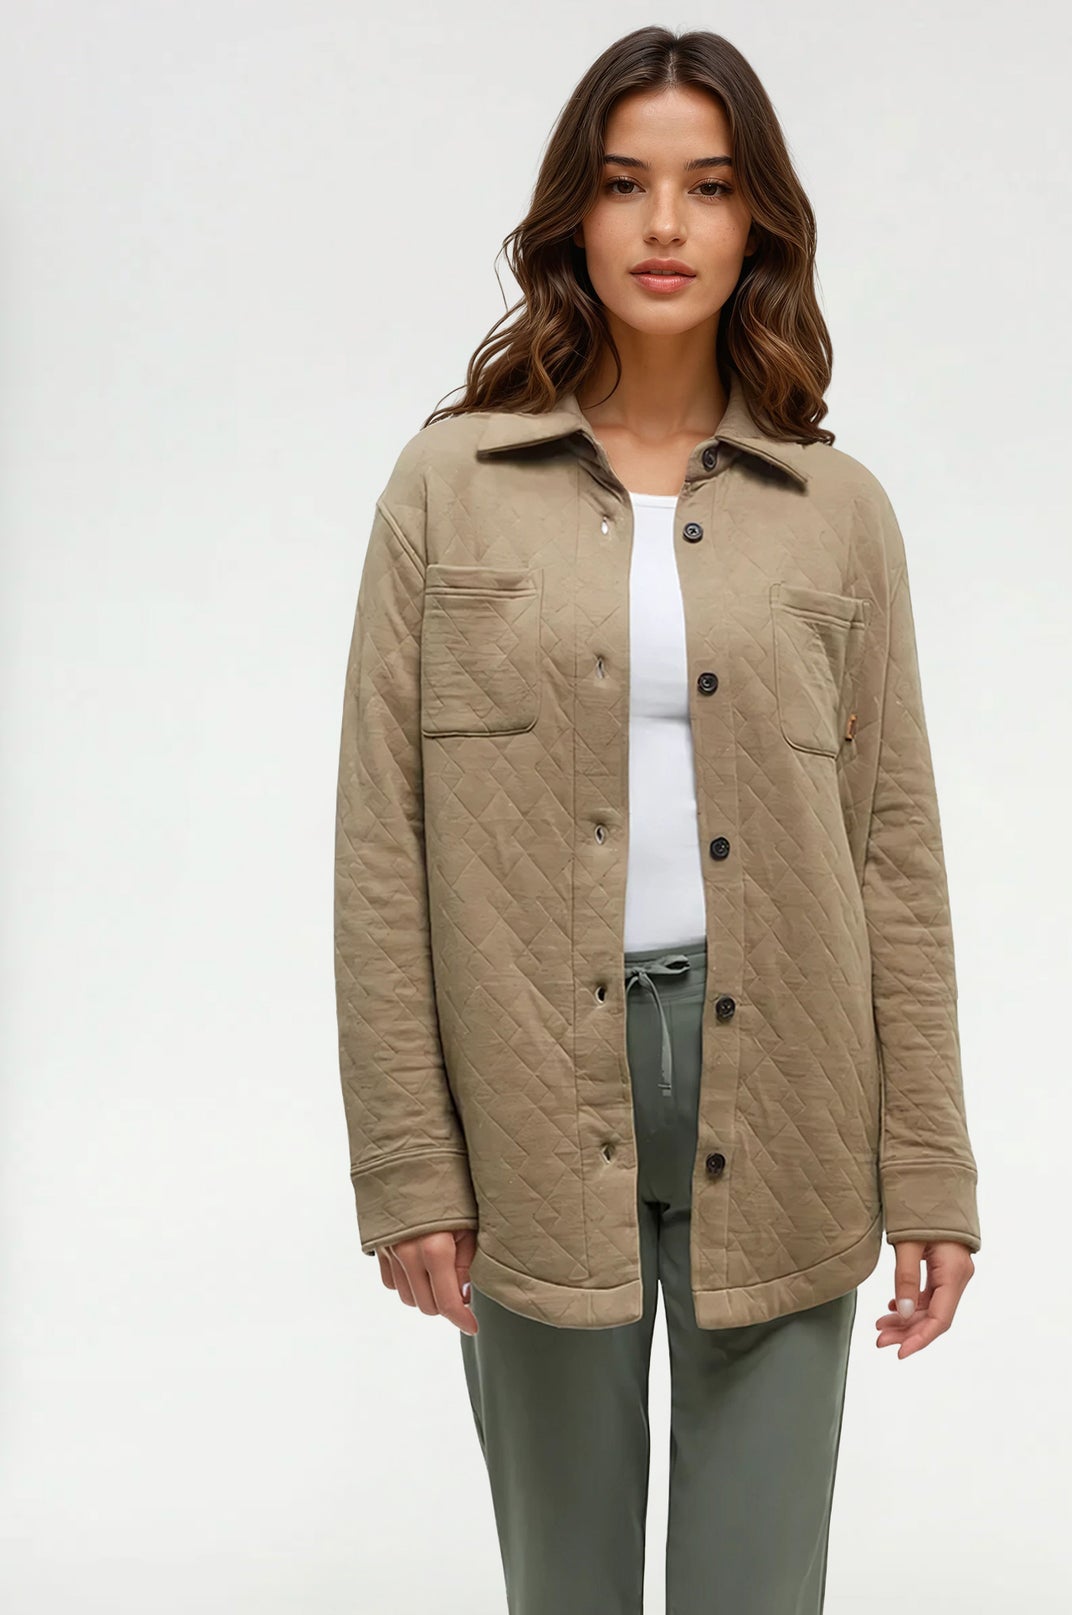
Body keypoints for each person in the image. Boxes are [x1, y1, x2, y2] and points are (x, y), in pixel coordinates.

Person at [333, 24, 982, 1615]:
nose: (667, 225)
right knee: (565, 1586)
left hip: (798, 1095)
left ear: (761, 220)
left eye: (710, 185)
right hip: (525, 1099)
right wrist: (409, 1164)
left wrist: (932, 1168)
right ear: (576, 216)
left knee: (758, 1589)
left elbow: (894, 849)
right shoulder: (447, 486)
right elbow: (381, 846)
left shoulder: (840, 513)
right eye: (626, 185)